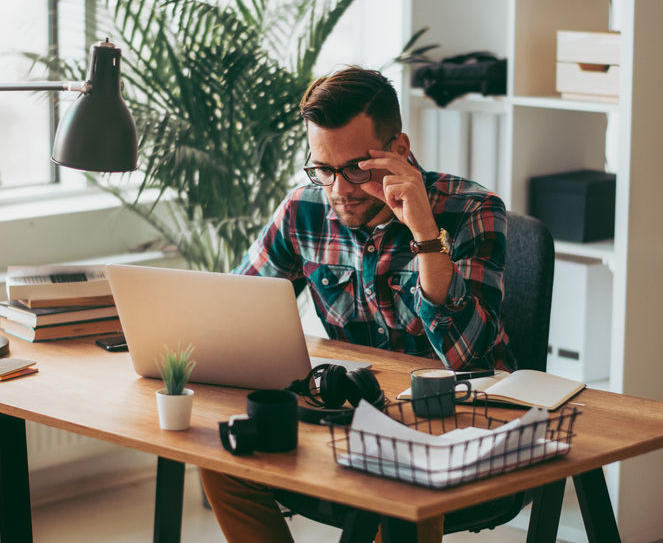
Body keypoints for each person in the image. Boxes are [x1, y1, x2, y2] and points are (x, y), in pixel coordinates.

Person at [200, 66, 514, 542]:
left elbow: (468, 360)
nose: (339, 189)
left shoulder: (472, 211)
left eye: (355, 169)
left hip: (462, 429)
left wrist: (426, 236)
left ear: (400, 151)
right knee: (223, 457)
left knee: (401, 490)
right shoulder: (305, 208)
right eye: (323, 169)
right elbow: (237, 313)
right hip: (350, 421)